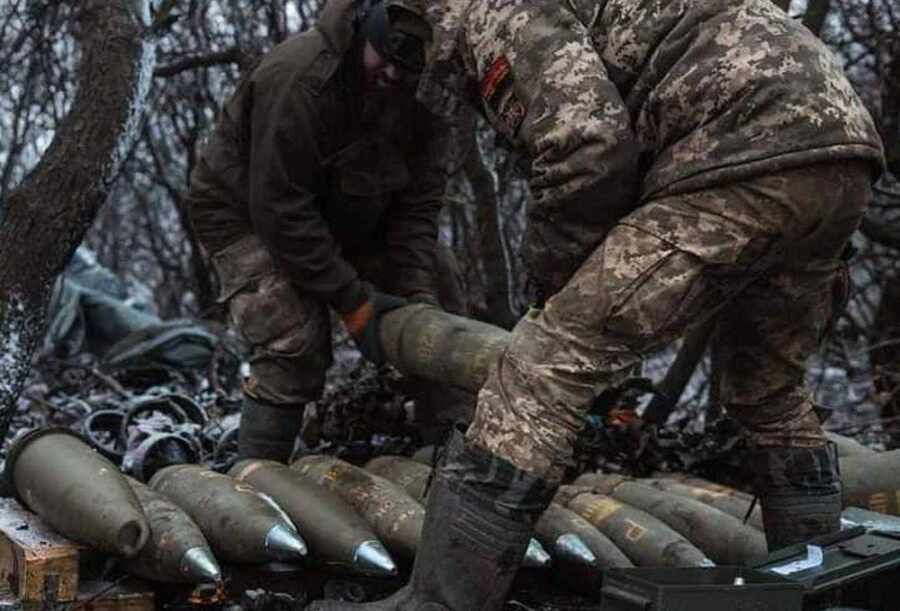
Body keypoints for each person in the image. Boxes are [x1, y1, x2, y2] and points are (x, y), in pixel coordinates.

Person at [307, 0, 885, 609]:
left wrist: (554, 281)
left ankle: (440, 600)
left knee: (536, 372)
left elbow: (587, 146)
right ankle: (824, 582)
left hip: (741, 145)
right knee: (769, 392)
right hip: (839, 148)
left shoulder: (494, 10)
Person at [186, 0, 452, 463]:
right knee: (293, 333)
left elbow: (417, 210)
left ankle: (449, 455)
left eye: (407, 66)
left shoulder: (428, 102)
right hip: (244, 211)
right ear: (364, 31)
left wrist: (418, 294)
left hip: (347, 211)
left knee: (440, 294)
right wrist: (353, 301)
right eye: (384, 56)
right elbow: (279, 209)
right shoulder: (301, 77)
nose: (391, 73)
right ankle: (260, 482)